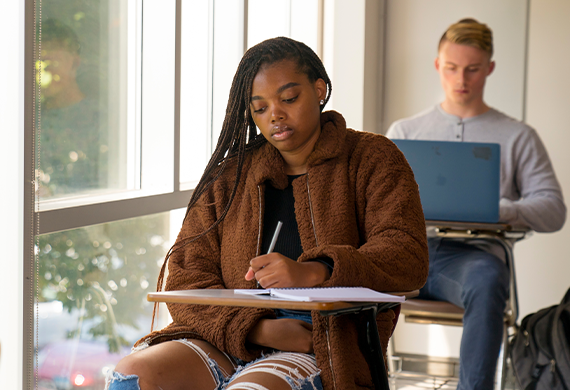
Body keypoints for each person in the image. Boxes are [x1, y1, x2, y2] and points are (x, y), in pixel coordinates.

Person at [105, 37, 429, 390]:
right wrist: (257, 329)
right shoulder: (232, 175)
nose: (275, 114)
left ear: (319, 89)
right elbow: (186, 275)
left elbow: (406, 254)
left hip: (319, 338)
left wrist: (314, 271)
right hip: (230, 333)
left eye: (289, 99)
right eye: (259, 108)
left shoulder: (371, 157)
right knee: (131, 376)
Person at [386, 18, 566, 390]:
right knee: (352, 270)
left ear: (490, 69)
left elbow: (553, 210)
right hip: (408, 253)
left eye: (472, 69)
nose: (461, 80)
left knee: (487, 276)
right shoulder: (404, 133)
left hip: (473, 260)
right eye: (451, 68)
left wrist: (502, 209)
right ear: (438, 66)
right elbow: (374, 206)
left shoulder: (518, 136)